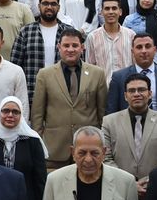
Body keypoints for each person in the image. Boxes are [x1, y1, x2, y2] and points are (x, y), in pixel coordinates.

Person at [32, 26, 108, 168]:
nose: (71, 49)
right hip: (54, 148)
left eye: (75, 45)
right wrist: (39, 142)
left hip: (88, 148)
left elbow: (102, 113)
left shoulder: (97, 74)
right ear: (59, 47)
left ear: (82, 48)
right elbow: (37, 115)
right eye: (66, 46)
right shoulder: (45, 75)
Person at [106, 31, 157, 115]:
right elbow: (111, 112)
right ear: (132, 51)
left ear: (155, 50)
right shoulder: (119, 77)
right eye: (139, 47)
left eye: (147, 46)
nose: (144, 51)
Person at [11, 0, 66, 98]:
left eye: (53, 4)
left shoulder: (68, 32)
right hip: (32, 93)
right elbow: (15, 66)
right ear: (39, 6)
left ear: (59, 7)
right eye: (45, 3)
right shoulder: (26, 32)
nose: (49, 7)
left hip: (62, 94)